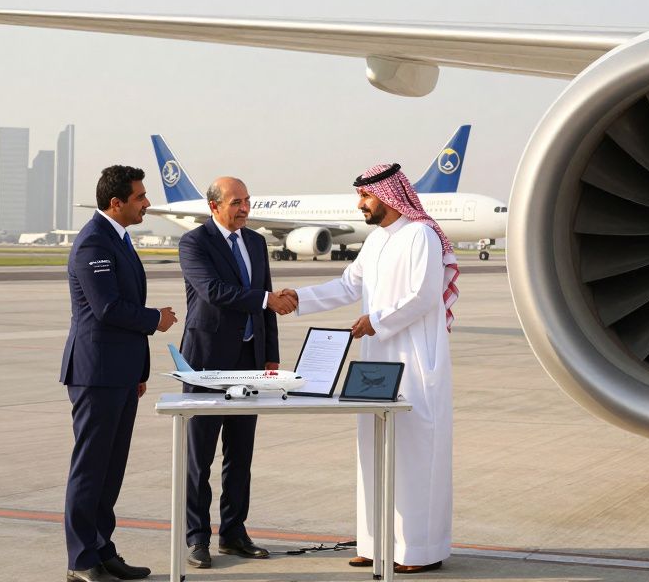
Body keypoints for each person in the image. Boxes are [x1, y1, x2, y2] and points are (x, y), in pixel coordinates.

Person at [287, 162, 458, 574]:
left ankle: (419, 550)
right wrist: (298, 298)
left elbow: (423, 296)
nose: (360, 205)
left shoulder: (421, 236)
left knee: (416, 451)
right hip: (375, 359)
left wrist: (375, 321)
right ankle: (373, 542)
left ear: (388, 196)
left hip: (416, 361)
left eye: (365, 197)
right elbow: (348, 285)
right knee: (373, 447)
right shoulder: (377, 241)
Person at [61, 165, 178, 582]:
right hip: (96, 374)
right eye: (140, 197)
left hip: (121, 374)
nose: (147, 203)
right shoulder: (94, 243)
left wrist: (138, 372)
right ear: (117, 203)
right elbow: (107, 308)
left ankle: (102, 550)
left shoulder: (119, 240)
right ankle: (80, 558)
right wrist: (156, 319)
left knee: (110, 470)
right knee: (90, 468)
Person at [177, 177, 295, 568]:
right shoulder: (195, 243)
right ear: (214, 206)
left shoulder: (257, 242)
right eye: (235, 202)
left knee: (240, 453)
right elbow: (213, 291)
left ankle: (233, 532)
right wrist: (266, 299)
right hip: (207, 360)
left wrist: (271, 354)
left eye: (247, 201)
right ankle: (197, 538)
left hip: (250, 361)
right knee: (200, 456)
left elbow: (268, 302)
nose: (244, 209)